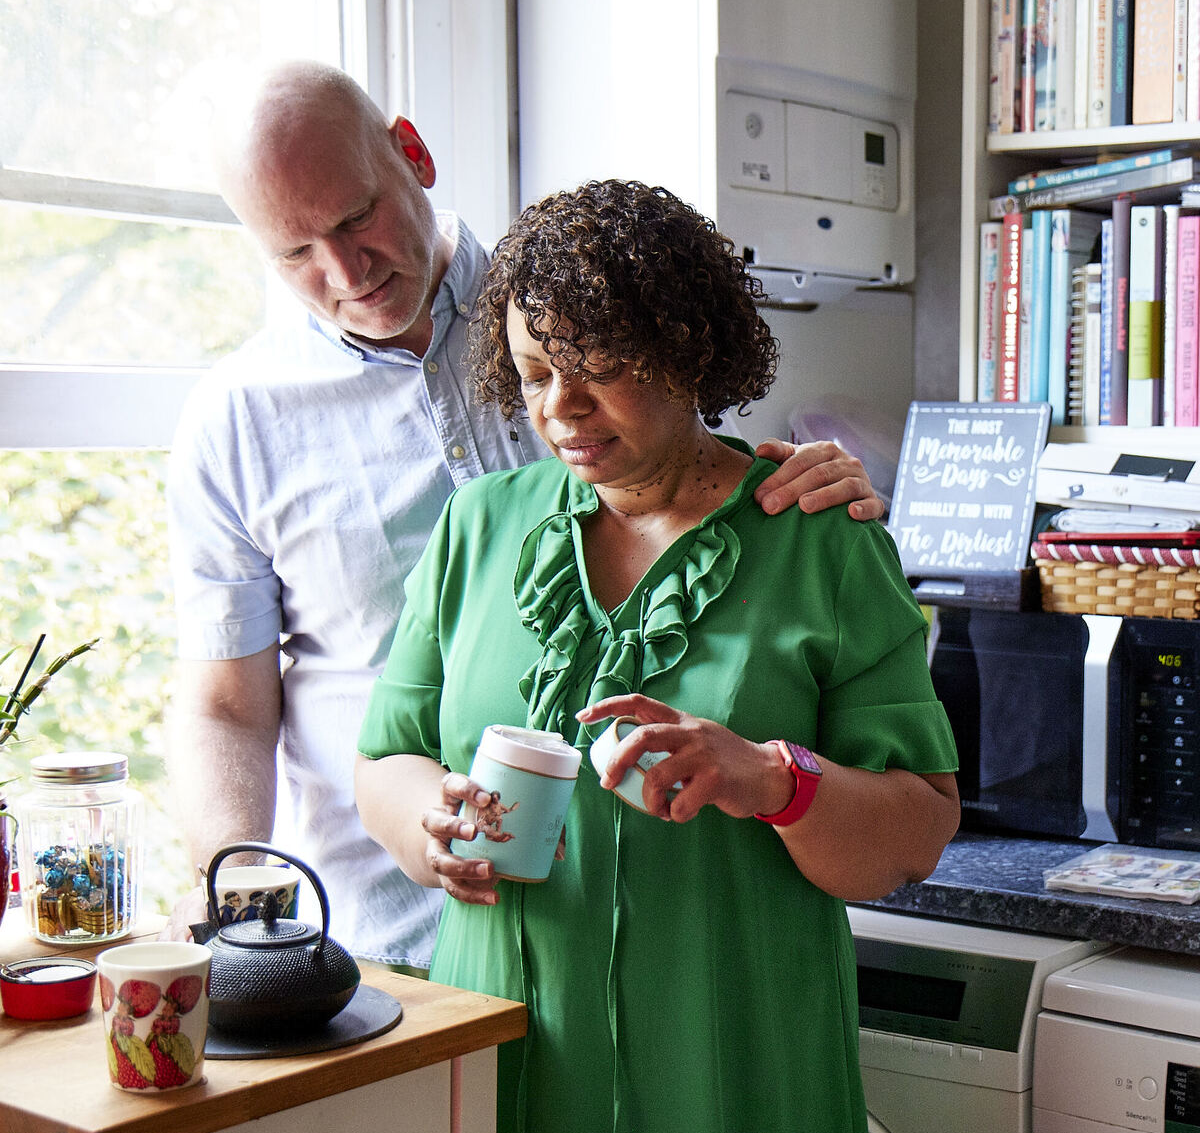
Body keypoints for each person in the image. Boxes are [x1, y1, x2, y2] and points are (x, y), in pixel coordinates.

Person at [164, 60, 887, 971]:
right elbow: (228, 705)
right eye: (295, 253)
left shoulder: (572, 307)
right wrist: (232, 898)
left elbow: (701, 489)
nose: (345, 270)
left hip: (661, 929)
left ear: (412, 154)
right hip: (376, 941)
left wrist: (812, 481)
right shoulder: (237, 419)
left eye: (355, 218)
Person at [355, 179, 960, 1133]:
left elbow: (918, 830)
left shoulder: (819, 539)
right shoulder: (479, 526)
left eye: (601, 367)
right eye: (534, 371)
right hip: (508, 1037)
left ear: (688, 348)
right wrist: (430, 824)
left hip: (734, 1053)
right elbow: (384, 759)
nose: (562, 408)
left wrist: (767, 778)